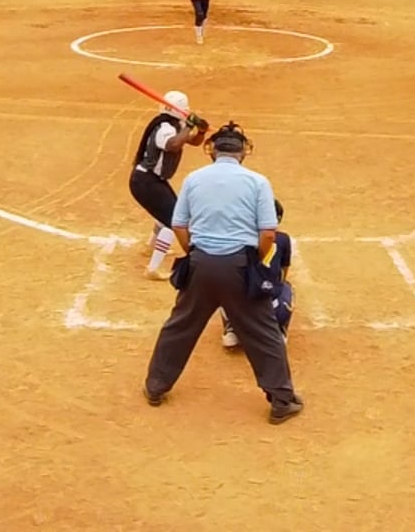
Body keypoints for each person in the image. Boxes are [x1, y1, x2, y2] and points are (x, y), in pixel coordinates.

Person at [143, 122, 303, 425]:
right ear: (243, 152)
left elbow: (179, 225)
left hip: (201, 264)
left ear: (212, 150)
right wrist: (254, 262)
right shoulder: (257, 182)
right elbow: (268, 233)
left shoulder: (193, 179)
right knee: (264, 333)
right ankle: (282, 400)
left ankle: (156, 386)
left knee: (180, 326)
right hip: (240, 266)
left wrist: (194, 253)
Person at [129, 90, 209, 280]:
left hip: (152, 180)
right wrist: (189, 126)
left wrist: (201, 131)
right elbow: (173, 145)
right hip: (146, 181)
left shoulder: (175, 125)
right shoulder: (164, 127)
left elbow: (192, 141)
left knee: (168, 211)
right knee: (174, 222)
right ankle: (152, 269)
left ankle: (150, 247)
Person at [221, 198, 294, 349]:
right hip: (270, 307)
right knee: (286, 287)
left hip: (239, 305)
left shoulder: (238, 236)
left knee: (224, 284)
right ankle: (278, 330)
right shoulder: (283, 239)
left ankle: (231, 328)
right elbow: (283, 271)